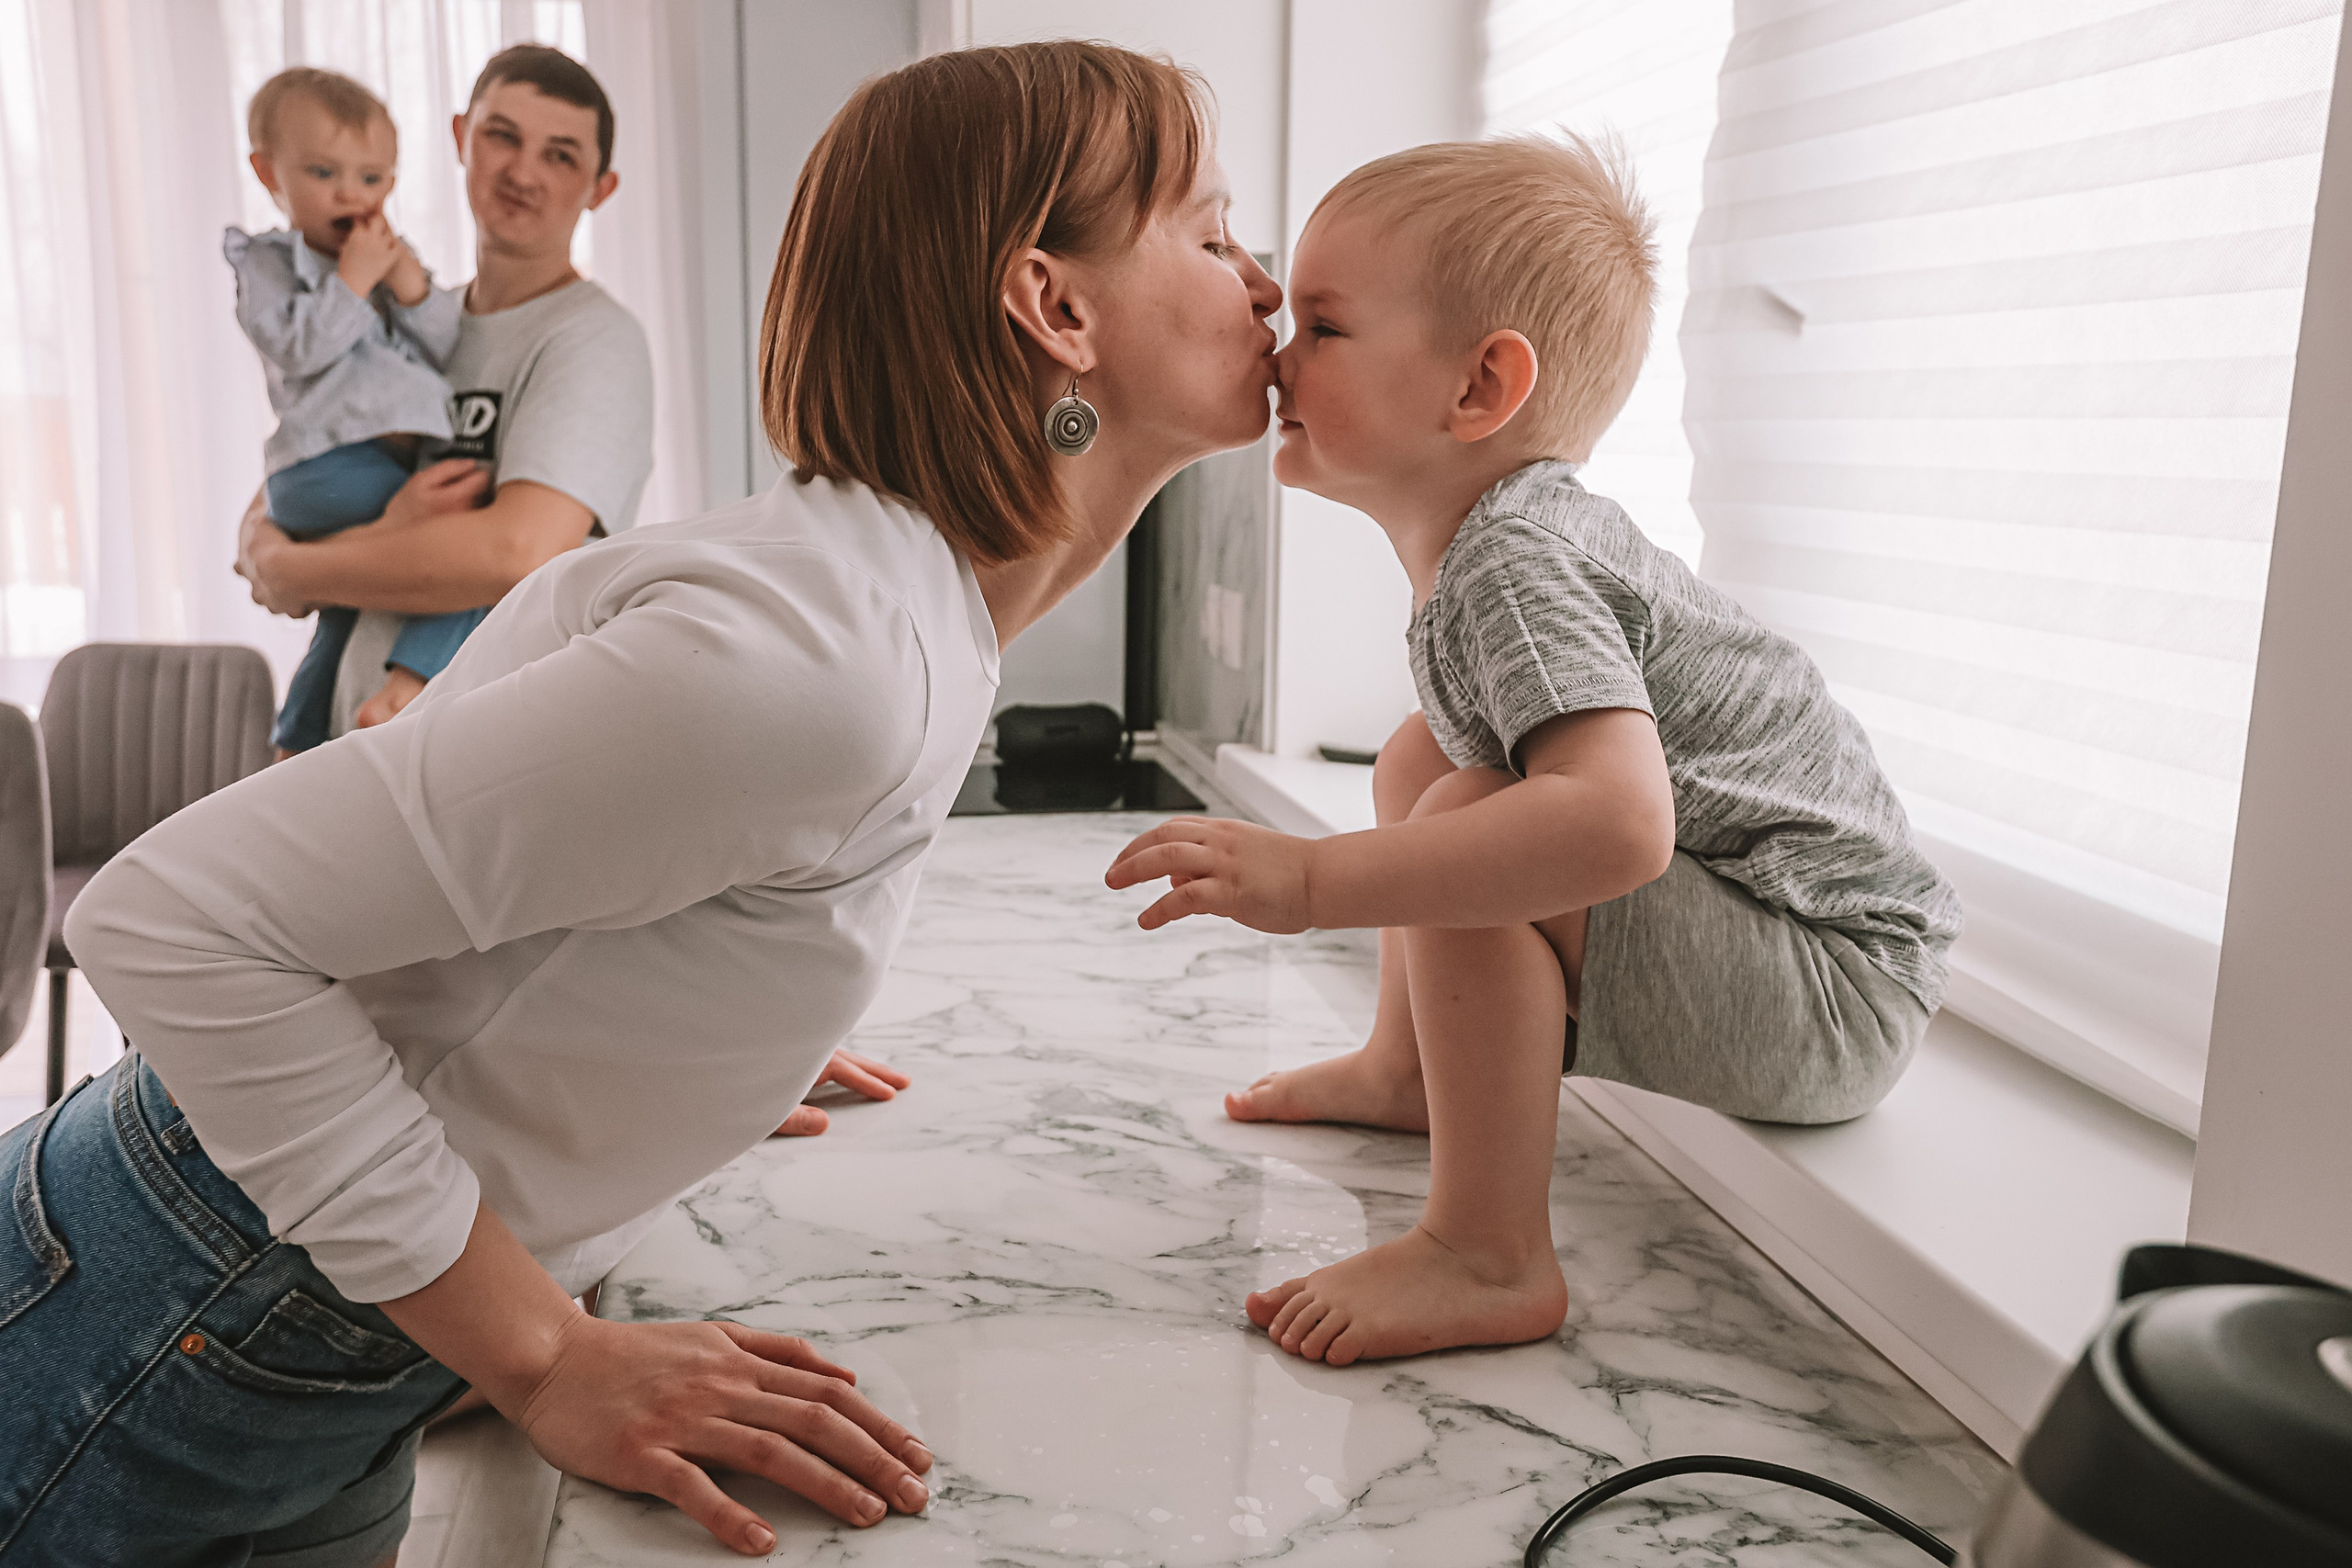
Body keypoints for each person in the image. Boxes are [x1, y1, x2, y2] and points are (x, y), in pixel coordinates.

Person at [0, 40, 1280, 1568]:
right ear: (1056, 309)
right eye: (1214, 234)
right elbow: (170, 918)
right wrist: (544, 1354)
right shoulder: (823, 656)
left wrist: (695, 1028)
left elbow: (565, 906)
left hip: (278, 1306)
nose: (1265, 283)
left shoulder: (893, 608)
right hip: (170, 1296)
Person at [1105, 136, 1961, 1368]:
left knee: (1466, 808)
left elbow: (1616, 824)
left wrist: (1311, 879)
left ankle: (1488, 1253)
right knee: (1423, 760)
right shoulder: (1498, 544)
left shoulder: (1517, 558)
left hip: (1835, 988)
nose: (1280, 349)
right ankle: (1410, 1074)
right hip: (1813, 959)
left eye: (1326, 328)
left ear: (1480, 388)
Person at [236, 44, 650, 739]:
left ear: (599, 189)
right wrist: (276, 545)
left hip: (480, 758)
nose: (523, 172)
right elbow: (300, 461)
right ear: (462, 138)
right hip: (351, 744)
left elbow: (513, 552)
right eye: (502, 136)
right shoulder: (409, 321)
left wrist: (291, 565)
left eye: (560, 155)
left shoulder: (593, 339)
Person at [226, 68, 483, 753]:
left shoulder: (384, 256)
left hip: (365, 466)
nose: (350, 193)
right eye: (323, 172)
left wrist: (411, 286)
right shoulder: (267, 263)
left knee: (345, 612)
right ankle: (406, 685)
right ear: (268, 173)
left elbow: (445, 348)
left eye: (370, 178)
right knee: (466, 552)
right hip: (326, 468)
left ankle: (298, 734)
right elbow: (298, 348)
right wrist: (354, 280)